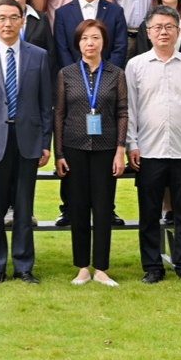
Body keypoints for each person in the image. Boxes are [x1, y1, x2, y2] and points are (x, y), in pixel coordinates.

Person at [0, 0, 53, 285]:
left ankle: (23, 265)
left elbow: (45, 103)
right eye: (2, 18)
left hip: (28, 138)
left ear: (22, 22)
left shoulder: (38, 56)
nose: (7, 23)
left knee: (24, 207)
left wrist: (45, 142)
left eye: (13, 17)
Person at [127, 5, 181, 284]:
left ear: (178, 31)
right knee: (149, 213)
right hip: (148, 151)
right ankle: (152, 266)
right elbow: (130, 109)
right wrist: (132, 143)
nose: (163, 32)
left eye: (169, 27)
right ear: (148, 32)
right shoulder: (136, 66)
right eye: (157, 27)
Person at [55, 19, 127, 287]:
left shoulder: (116, 74)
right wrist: (59, 153)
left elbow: (122, 112)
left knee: (104, 208)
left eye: (95, 37)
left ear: (103, 42)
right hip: (74, 148)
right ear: (78, 43)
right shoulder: (67, 74)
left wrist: (120, 150)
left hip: (106, 148)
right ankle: (82, 267)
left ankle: (102, 268)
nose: (90, 43)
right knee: (78, 208)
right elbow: (59, 114)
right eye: (85, 38)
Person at [54, 0, 128, 71]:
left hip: (109, 77)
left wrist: (107, 74)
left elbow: (120, 48)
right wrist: (75, 75)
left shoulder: (115, 12)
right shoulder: (63, 13)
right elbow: (62, 50)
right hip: (73, 78)